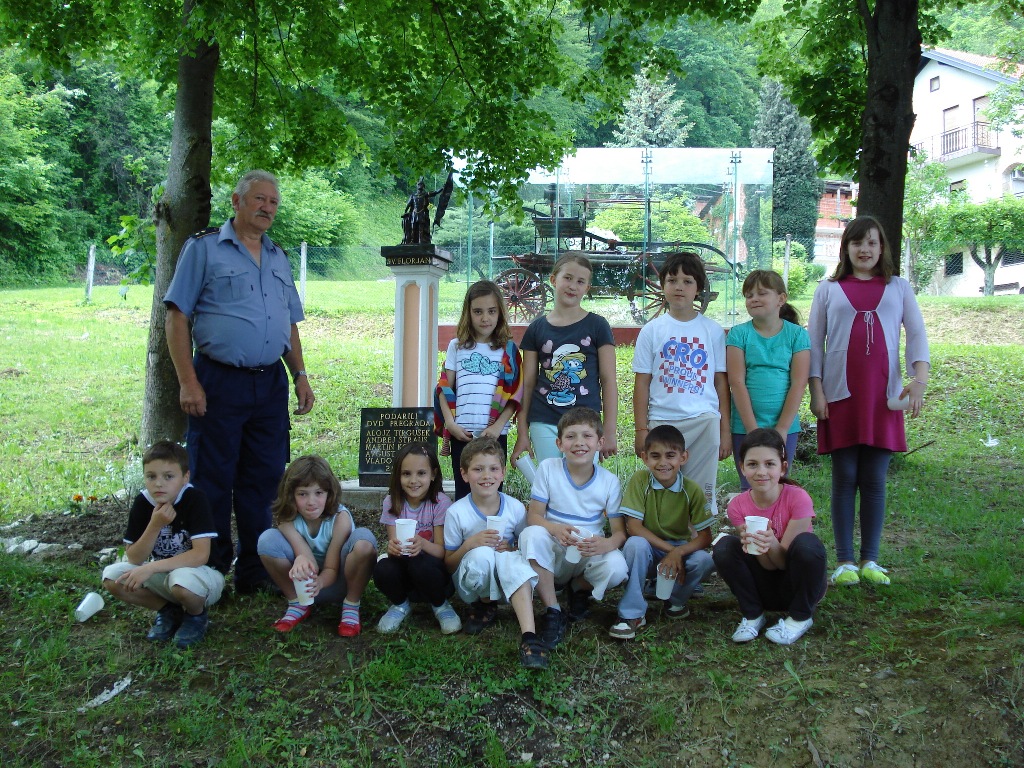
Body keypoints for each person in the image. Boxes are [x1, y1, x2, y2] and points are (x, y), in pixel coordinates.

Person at [164, 170, 315, 595]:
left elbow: (288, 323)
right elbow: (177, 316)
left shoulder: (278, 256)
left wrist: (300, 375)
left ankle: (255, 571)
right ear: (236, 201)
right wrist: (188, 381)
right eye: (259, 199)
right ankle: (210, 569)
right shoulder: (204, 248)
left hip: (269, 384)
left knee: (264, 479)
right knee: (212, 477)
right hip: (217, 380)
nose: (268, 208)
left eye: (273, 202)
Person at [808, 215, 930, 587]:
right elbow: (814, 344)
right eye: (858, 242)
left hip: (884, 397)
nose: (865, 249)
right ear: (846, 248)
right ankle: (845, 561)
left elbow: (917, 334)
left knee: (875, 479)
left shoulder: (899, 287)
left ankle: (871, 560)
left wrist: (919, 380)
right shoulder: (828, 289)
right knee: (845, 477)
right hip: (839, 396)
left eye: (872, 243)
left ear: (882, 248)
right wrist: (816, 390)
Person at [518, 407, 628, 649]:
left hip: (588, 549)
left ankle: (578, 588)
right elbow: (534, 516)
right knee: (531, 535)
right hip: (556, 546)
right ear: (559, 443)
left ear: (600, 443)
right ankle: (553, 609)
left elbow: (619, 532)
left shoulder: (609, 482)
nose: (579, 443)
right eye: (570, 436)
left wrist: (607, 544)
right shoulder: (548, 468)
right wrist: (553, 528)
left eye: (587, 436)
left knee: (618, 568)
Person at [632, 251, 730, 516]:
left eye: (688, 281)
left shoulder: (712, 331)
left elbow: (721, 383)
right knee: (664, 487)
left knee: (701, 490)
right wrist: (641, 429)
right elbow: (642, 383)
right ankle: (664, 532)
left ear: (698, 288)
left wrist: (725, 430)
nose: (679, 287)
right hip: (662, 420)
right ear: (662, 285)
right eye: (672, 280)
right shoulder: (651, 330)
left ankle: (699, 532)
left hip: (704, 421)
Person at [101, 440, 225, 649]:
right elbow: (134, 557)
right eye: (151, 476)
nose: (159, 484)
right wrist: (155, 525)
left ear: (185, 477)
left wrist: (151, 568)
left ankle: (196, 615)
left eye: (168, 476)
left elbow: (200, 555)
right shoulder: (143, 503)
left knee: (181, 580)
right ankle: (169, 611)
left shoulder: (195, 499)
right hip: (165, 575)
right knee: (112, 577)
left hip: (203, 576)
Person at [712, 429, 827, 645]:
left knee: (807, 544)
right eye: (753, 464)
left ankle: (801, 617)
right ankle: (753, 614)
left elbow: (783, 564)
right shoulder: (737, 506)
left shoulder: (798, 498)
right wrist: (757, 544)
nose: (761, 472)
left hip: (797, 583)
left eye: (769, 464)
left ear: (782, 467)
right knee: (724, 546)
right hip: (764, 585)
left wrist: (772, 542)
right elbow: (767, 565)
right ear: (742, 468)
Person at [442, 437, 547, 669]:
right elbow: (448, 564)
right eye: (478, 469)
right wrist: (470, 544)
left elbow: (524, 545)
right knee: (483, 555)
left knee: (512, 560)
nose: (486, 476)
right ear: (464, 474)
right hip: (472, 585)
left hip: (508, 584)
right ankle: (485, 604)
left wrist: (511, 548)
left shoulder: (515, 507)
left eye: (493, 469)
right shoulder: (456, 512)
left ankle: (529, 635)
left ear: (503, 473)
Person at [512, 253, 618, 464]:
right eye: (567, 278)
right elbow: (528, 383)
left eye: (580, 281)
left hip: (586, 424)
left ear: (587, 288)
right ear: (553, 280)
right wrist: (522, 432)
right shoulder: (536, 329)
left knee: (583, 480)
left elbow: (608, 380)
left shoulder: (598, 326)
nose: (573, 286)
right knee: (550, 480)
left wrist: (609, 430)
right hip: (544, 420)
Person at [610, 425, 714, 640]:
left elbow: (706, 536)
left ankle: (675, 600)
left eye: (671, 455)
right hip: (649, 549)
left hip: (679, 549)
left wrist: (679, 552)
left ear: (683, 457)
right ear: (644, 458)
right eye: (655, 456)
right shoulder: (640, 480)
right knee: (634, 544)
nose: (663, 462)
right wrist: (671, 552)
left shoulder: (692, 489)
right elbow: (633, 527)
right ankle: (632, 614)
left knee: (704, 560)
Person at [256, 455, 377, 636]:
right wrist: (301, 560)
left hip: (339, 582)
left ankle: (351, 605)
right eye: (302, 494)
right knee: (267, 540)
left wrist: (319, 582)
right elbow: (306, 557)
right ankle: (297, 603)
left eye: (318, 493)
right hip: (304, 586)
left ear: (329, 493)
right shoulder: (287, 519)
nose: (311, 502)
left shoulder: (340, 518)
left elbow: (331, 568)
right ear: (290, 495)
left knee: (364, 540)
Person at [435, 281, 523, 500]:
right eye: (478, 311)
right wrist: (450, 424)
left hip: (494, 435)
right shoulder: (457, 346)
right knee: (464, 492)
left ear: (500, 313)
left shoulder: (508, 350)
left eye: (491, 311)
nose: (485, 318)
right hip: (462, 434)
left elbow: (515, 395)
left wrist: (498, 427)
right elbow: (444, 387)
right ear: (468, 313)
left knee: (492, 493)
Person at [726, 269, 810, 487]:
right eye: (749, 295)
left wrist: (782, 428)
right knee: (751, 485)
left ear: (781, 299)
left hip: (784, 427)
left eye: (762, 293)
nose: (754, 299)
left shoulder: (797, 335)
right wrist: (752, 429)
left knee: (777, 485)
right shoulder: (738, 334)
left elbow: (799, 383)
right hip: (744, 426)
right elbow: (736, 382)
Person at [373, 443, 461, 634]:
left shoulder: (440, 503)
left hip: (434, 575)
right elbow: (395, 547)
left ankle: (441, 605)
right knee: (382, 567)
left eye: (421, 473)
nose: (413, 480)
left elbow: (441, 552)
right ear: (398, 476)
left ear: (433, 474)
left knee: (420, 563)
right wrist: (392, 548)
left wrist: (422, 544)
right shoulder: (392, 502)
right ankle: (400, 605)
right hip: (405, 572)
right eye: (406, 474)